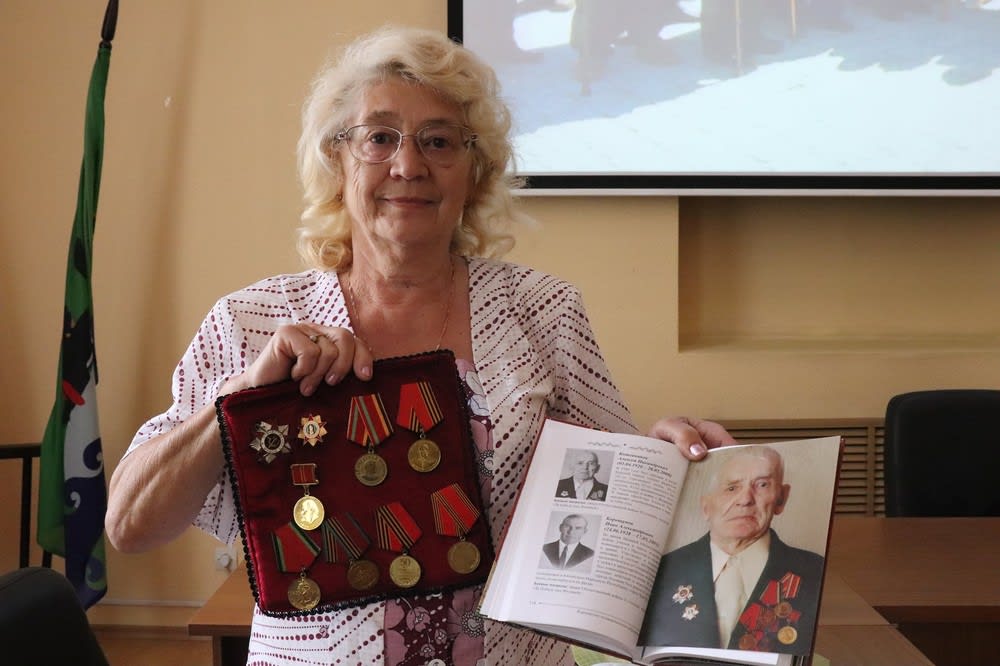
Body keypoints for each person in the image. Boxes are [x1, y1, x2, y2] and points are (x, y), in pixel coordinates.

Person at [105, 25, 736, 666]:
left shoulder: (544, 311)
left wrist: (674, 462)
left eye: (439, 141)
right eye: (380, 138)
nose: (408, 166)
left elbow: (618, 507)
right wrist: (241, 400)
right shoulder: (252, 321)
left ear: (474, 174)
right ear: (337, 162)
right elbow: (130, 525)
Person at [639, 447, 824, 654]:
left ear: (781, 498)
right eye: (731, 488)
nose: (745, 500)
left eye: (762, 485)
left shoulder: (815, 571)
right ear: (706, 507)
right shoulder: (661, 570)